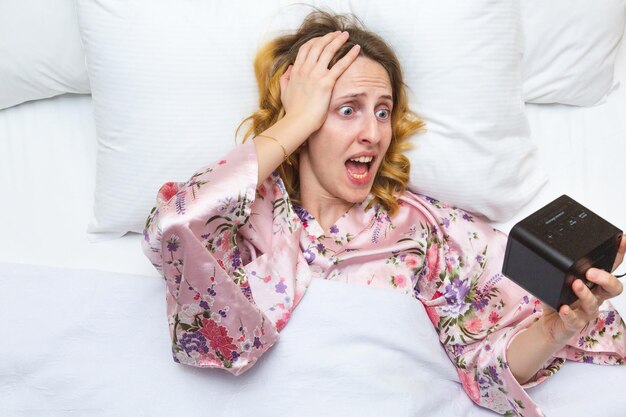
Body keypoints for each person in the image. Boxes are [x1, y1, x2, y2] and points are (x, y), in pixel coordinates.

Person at [142, 10, 626, 416]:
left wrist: (553, 330)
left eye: (382, 110)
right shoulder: (245, 215)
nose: (374, 134)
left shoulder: (426, 229)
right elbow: (174, 228)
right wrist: (296, 121)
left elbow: (483, 374)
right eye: (347, 109)